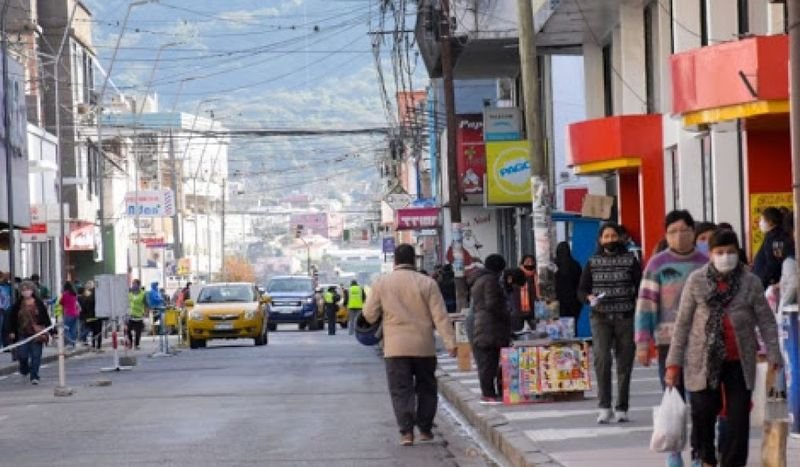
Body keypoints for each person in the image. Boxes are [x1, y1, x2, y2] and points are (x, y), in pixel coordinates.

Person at [665, 229, 783, 467]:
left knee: (738, 421)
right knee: (703, 413)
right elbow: (683, 323)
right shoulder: (696, 281)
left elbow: (766, 320)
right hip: (703, 360)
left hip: (739, 359)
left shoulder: (750, 282)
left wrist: (774, 354)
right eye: (720, 252)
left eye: (730, 252)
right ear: (710, 254)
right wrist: (673, 363)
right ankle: (707, 459)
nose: (725, 256)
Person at [362, 243, 457, 446]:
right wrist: (450, 342)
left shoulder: (381, 283)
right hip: (424, 346)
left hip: (395, 348)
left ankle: (406, 432)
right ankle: (425, 429)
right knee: (426, 388)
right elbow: (440, 316)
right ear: (414, 260)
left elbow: (369, 315)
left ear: (395, 261)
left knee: (400, 389)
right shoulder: (428, 283)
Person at [634, 210, 707, 467]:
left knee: (701, 402)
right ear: (666, 235)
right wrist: (643, 343)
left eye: (684, 230)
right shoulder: (657, 264)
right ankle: (674, 452)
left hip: (702, 343)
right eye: (672, 232)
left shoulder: (706, 262)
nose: (679, 236)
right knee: (673, 398)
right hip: (668, 343)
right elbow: (646, 304)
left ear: (693, 232)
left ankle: (700, 453)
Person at [578, 222, 641, 424]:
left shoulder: (631, 261)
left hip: (625, 317)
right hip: (600, 318)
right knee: (602, 360)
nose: (610, 239)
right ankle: (604, 407)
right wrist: (588, 298)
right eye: (606, 236)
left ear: (621, 238)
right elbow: (581, 290)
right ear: (600, 240)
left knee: (625, 363)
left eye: (614, 236)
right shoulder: (592, 262)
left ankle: (622, 407)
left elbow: (640, 287)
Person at [470, 254, 510, 405]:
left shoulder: (480, 279)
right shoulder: (490, 281)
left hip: (484, 324)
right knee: (489, 362)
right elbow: (492, 303)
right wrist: (505, 314)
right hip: (490, 326)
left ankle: (489, 392)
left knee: (488, 361)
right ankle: (488, 393)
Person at [5, 281, 51, 385]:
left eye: (28, 289)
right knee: (22, 355)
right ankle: (24, 369)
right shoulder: (17, 305)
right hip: (22, 333)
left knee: (36, 355)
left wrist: (51, 331)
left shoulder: (39, 303)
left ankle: (34, 376)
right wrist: (12, 331)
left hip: (37, 333)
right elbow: (12, 318)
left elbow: (45, 318)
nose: (26, 292)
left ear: (32, 290)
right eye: (23, 290)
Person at [753, 207, 794, 289]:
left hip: (769, 284)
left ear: (770, 222)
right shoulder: (771, 236)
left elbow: (775, 262)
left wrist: (765, 280)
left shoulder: (776, 239)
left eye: (762, 220)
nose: (760, 223)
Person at [554, 242, 583, 320]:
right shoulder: (576, 265)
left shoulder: (556, 265)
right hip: (575, 302)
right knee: (572, 326)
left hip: (559, 302)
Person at [517, 254, 541, 330]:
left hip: (534, 311)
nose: (530, 264)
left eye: (532, 262)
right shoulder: (516, 276)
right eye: (527, 262)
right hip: (519, 311)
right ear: (522, 263)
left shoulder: (537, 277)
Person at [59, 282, 80, 348]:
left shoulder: (65, 294)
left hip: (68, 313)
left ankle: (70, 343)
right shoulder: (74, 294)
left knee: (66, 329)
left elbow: (61, 302)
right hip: (75, 313)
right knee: (73, 329)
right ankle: (73, 343)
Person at [128, 280, 147, 350]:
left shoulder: (143, 294)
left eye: (135, 284)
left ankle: (137, 344)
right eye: (132, 284)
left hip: (139, 316)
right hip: (130, 315)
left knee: (138, 332)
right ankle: (130, 342)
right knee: (128, 330)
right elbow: (127, 303)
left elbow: (146, 303)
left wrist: (146, 312)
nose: (133, 285)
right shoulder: (130, 293)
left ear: (138, 285)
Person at [0, 271, 13, 349]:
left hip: (6, 308)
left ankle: (5, 344)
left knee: (5, 327)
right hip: (3, 309)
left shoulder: (8, 286)